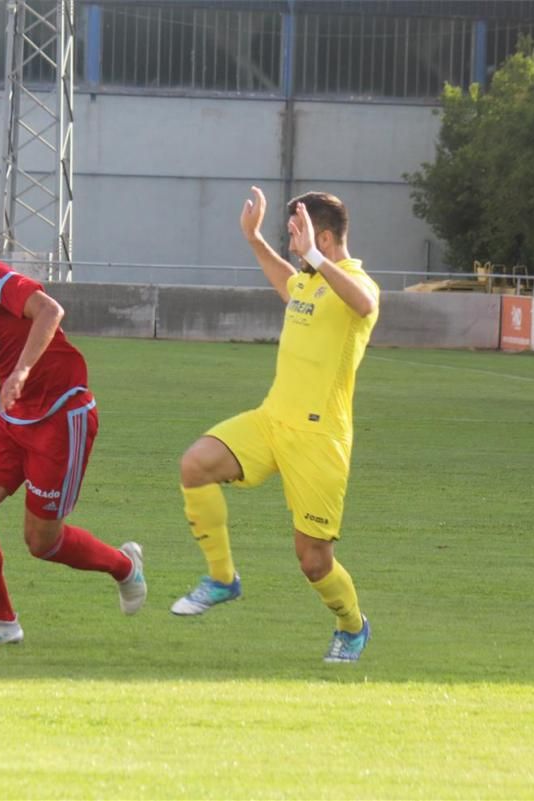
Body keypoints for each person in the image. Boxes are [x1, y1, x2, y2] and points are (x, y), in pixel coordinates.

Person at [0, 225, 146, 646]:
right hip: (11, 418)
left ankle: (124, 566)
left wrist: (23, 370)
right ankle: (2, 623)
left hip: (59, 418)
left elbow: (50, 311)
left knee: (42, 542)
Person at [171, 187, 380, 663]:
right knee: (195, 464)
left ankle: (352, 625)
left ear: (323, 238)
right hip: (271, 421)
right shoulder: (308, 279)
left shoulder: (354, 280)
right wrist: (254, 239)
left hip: (320, 439)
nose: (292, 245)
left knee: (313, 560)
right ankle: (223, 579)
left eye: (297, 235)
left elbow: (365, 304)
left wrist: (311, 257)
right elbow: (289, 284)